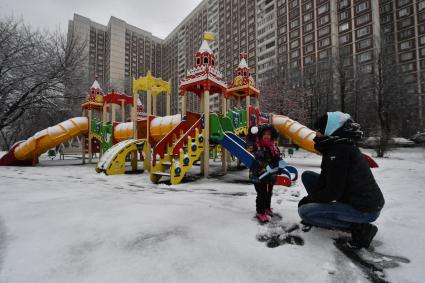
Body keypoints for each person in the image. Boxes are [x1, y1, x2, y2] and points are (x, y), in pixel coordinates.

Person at [298, 112, 385, 249]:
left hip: (365, 208)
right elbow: (325, 179)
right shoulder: (334, 147)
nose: (316, 134)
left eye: (319, 130)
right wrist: (312, 198)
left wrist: (311, 200)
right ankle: (323, 209)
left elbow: (333, 192)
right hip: (351, 197)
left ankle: (360, 228)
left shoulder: (339, 151)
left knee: (305, 212)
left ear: (330, 130)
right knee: (308, 176)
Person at [249, 124, 282, 223]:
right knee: (262, 194)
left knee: (269, 193)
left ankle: (267, 208)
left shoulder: (273, 147)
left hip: (270, 175)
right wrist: (266, 165)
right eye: (265, 134)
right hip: (259, 175)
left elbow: (277, 158)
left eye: (269, 134)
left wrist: (280, 164)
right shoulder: (258, 146)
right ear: (261, 135)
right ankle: (260, 212)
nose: (267, 136)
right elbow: (258, 159)